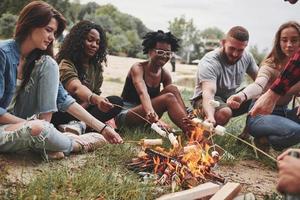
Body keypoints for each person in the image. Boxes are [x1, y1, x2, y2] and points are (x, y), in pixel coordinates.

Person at [0, 1, 121, 160]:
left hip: (24, 121)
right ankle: (76, 144)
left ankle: (47, 138)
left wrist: (102, 128)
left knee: (49, 63)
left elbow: (64, 100)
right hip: (6, 127)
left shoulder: (39, 60)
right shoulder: (3, 54)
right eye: (48, 30)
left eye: (54, 33)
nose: (51, 37)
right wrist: (37, 126)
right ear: (30, 24)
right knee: (38, 129)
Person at [228, 22, 300, 150]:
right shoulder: (270, 64)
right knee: (297, 131)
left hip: (284, 114)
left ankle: (267, 139)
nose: (289, 45)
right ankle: (265, 140)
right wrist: (241, 95)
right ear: (278, 42)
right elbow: (258, 85)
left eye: (294, 40)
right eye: (284, 40)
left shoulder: (297, 68)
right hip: (259, 117)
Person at [52, 20, 123, 130]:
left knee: (116, 102)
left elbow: (94, 96)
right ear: (78, 41)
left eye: (98, 42)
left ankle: (80, 125)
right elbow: (76, 88)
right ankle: (83, 125)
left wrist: (98, 103)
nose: (94, 45)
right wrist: (94, 99)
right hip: (64, 110)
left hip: (82, 110)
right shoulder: (66, 63)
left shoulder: (96, 68)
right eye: (90, 40)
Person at [116, 30, 190, 134]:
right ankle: (191, 132)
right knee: (168, 97)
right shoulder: (138, 68)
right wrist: (154, 117)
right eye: (160, 52)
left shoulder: (165, 74)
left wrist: (185, 113)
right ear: (150, 51)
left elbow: (175, 99)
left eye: (168, 53)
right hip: (127, 115)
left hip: (147, 117)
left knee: (172, 89)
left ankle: (190, 126)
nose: (164, 56)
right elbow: (143, 93)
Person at [191, 26, 258, 126]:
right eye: (232, 48)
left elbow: (261, 81)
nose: (235, 54)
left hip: (229, 99)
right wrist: (210, 116)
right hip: (205, 99)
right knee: (224, 112)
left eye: (240, 50)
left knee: (260, 95)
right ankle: (200, 122)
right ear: (223, 43)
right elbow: (208, 93)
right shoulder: (210, 62)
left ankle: (247, 133)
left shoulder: (247, 57)